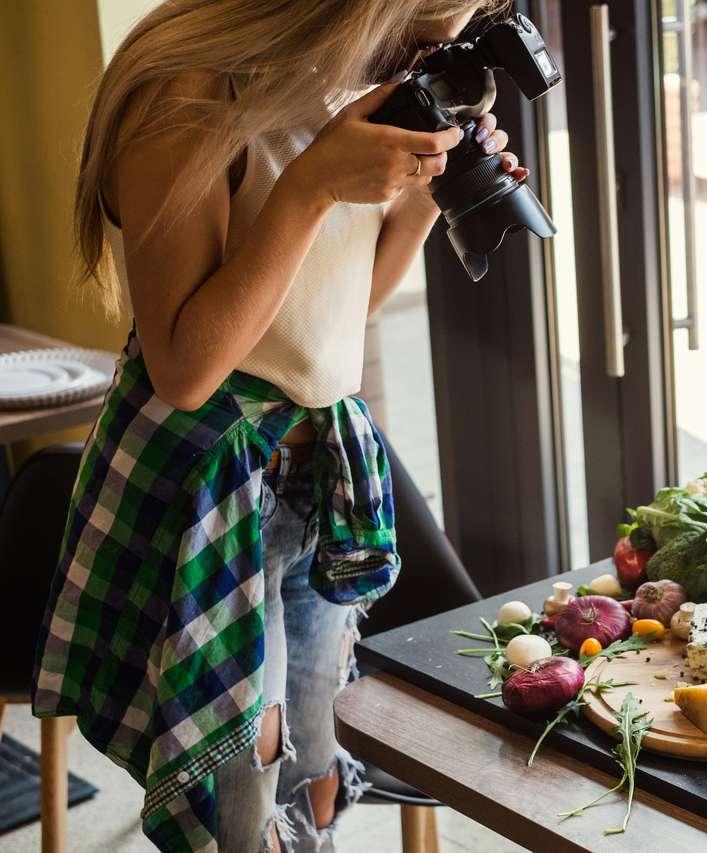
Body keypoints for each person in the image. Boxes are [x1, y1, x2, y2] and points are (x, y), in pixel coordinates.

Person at [31, 1, 518, 850]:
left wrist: (428, 193)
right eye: (433, 19)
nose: (443, 44)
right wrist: (314, 184)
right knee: (241, 815)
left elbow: (331, 318)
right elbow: (185, 370)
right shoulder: (185, 91)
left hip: (318, 477)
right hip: (208, 490)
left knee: (315, 781)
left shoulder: (357, 82)